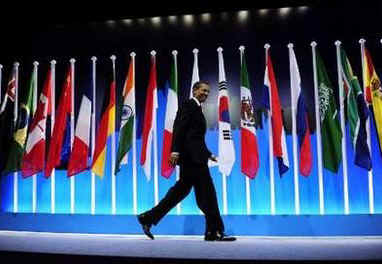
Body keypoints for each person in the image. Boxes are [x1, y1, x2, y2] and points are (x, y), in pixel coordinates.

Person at [137, 81, 236, 241]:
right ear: (195, 90)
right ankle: (214, 231)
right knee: (208, 195)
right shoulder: (189, 105)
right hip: (192, 159)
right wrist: (175, 150)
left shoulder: (197, 108)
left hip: (195, 157)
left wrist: (207, 154)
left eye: (208, 91)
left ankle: (148, 218)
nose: (206, 93)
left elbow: (194, 137)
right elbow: (179, 128)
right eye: (203, 90)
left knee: (181, 192)